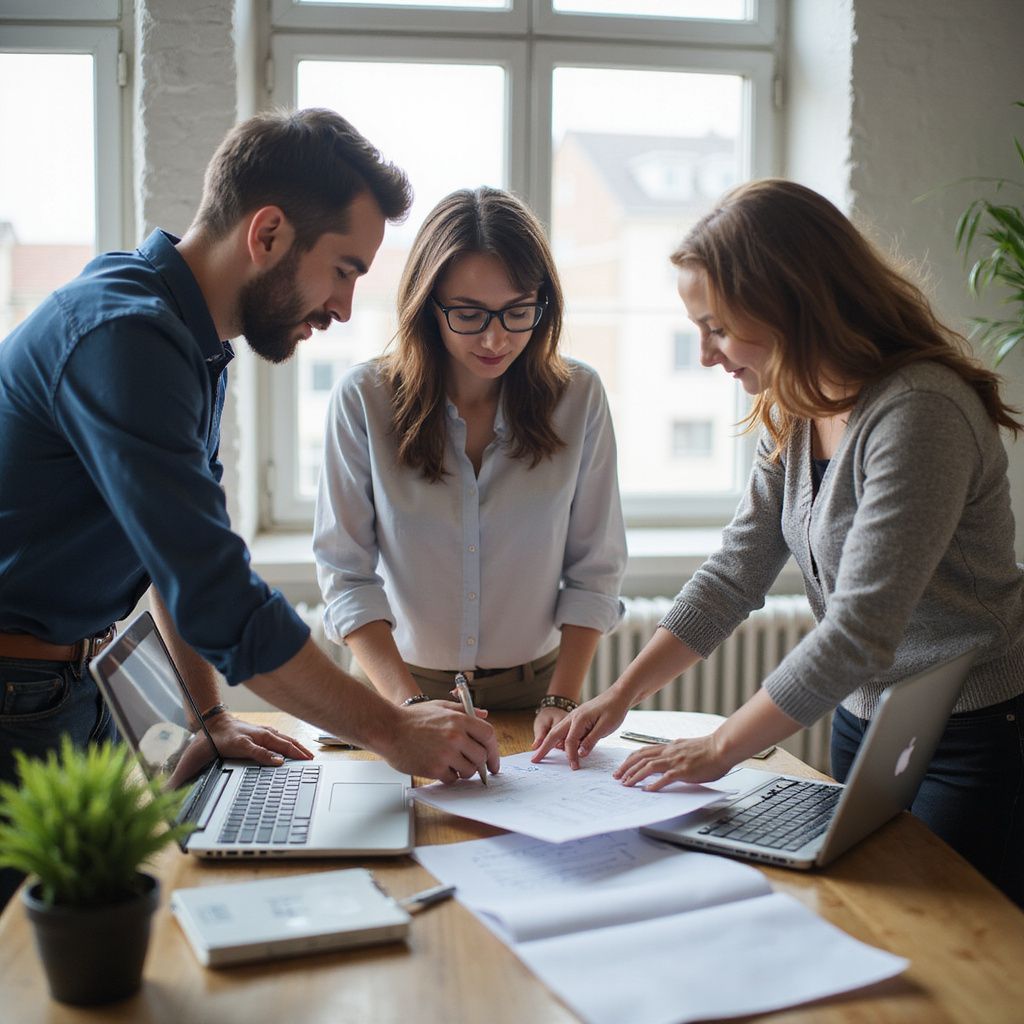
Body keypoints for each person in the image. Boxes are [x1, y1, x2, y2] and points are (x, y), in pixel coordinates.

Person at [0, 109, 498, 907]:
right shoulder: (125, 337)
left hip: (73, 686)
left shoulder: (189, 342)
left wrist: (209, 716)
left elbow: (173, 560)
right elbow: (219, 596)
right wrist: (394, 729)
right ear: (267, 234)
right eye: (342, 269)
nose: (343, 307)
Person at [535, 178, 1024, 907]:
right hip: (868, 722)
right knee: (868, 914)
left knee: (960, 937)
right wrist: (620, 696)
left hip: (979, 732)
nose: (706, 354)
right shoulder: (799, 408)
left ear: (792, 303)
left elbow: (860, 628)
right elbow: (735, 573)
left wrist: (722, 746)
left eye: (718, 327)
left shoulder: (918, 412)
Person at [313, 186, 626, 747]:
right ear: (427, 306)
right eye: (469, 313)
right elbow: (345, 572)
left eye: (517, 311)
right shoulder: (365, 398)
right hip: (397, 691)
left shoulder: (578, 397)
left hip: (537, 695)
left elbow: (595, 568)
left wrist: (563, 696)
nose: (495, 337)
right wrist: (407, 709)